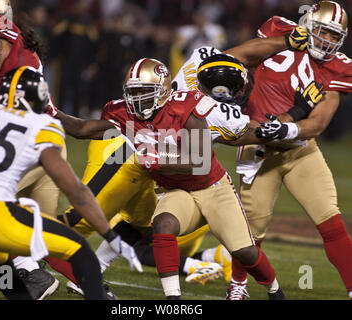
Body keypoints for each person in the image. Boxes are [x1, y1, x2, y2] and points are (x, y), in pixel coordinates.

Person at [44, 30, 311, 295]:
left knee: (245, 251)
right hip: (173, 188)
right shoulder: (126, 112)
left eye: (144, 92)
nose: (136, 100)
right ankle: (173, 299)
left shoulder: (190, 107)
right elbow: (81, 128)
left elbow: (207, 158)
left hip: (211, 185)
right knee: (158, 226)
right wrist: (49, 109)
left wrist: (292, 119)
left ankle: (274, 290)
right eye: (133, 92)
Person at [0, 66, 142, 300]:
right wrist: (110, 235)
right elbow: (75, 191)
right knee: (80, 251)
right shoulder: (41, 126)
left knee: (2, 260)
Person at [226, 1, 352, 300]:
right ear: (308, 24)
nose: (327, 40)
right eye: (323, 31)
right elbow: (243, 55)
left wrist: (290, 128)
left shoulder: (339, 66)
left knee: (330, 219)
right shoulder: (279, 29)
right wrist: (284, 41)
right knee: (250, 230)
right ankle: (238, 286)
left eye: (335, 36)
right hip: (258, 149)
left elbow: (319, 121)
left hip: (300, 150)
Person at [0, 0, 64, 297]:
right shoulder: (5, 37)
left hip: (13, 143)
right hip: (9, 139)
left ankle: (27, 269)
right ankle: (27, 271)